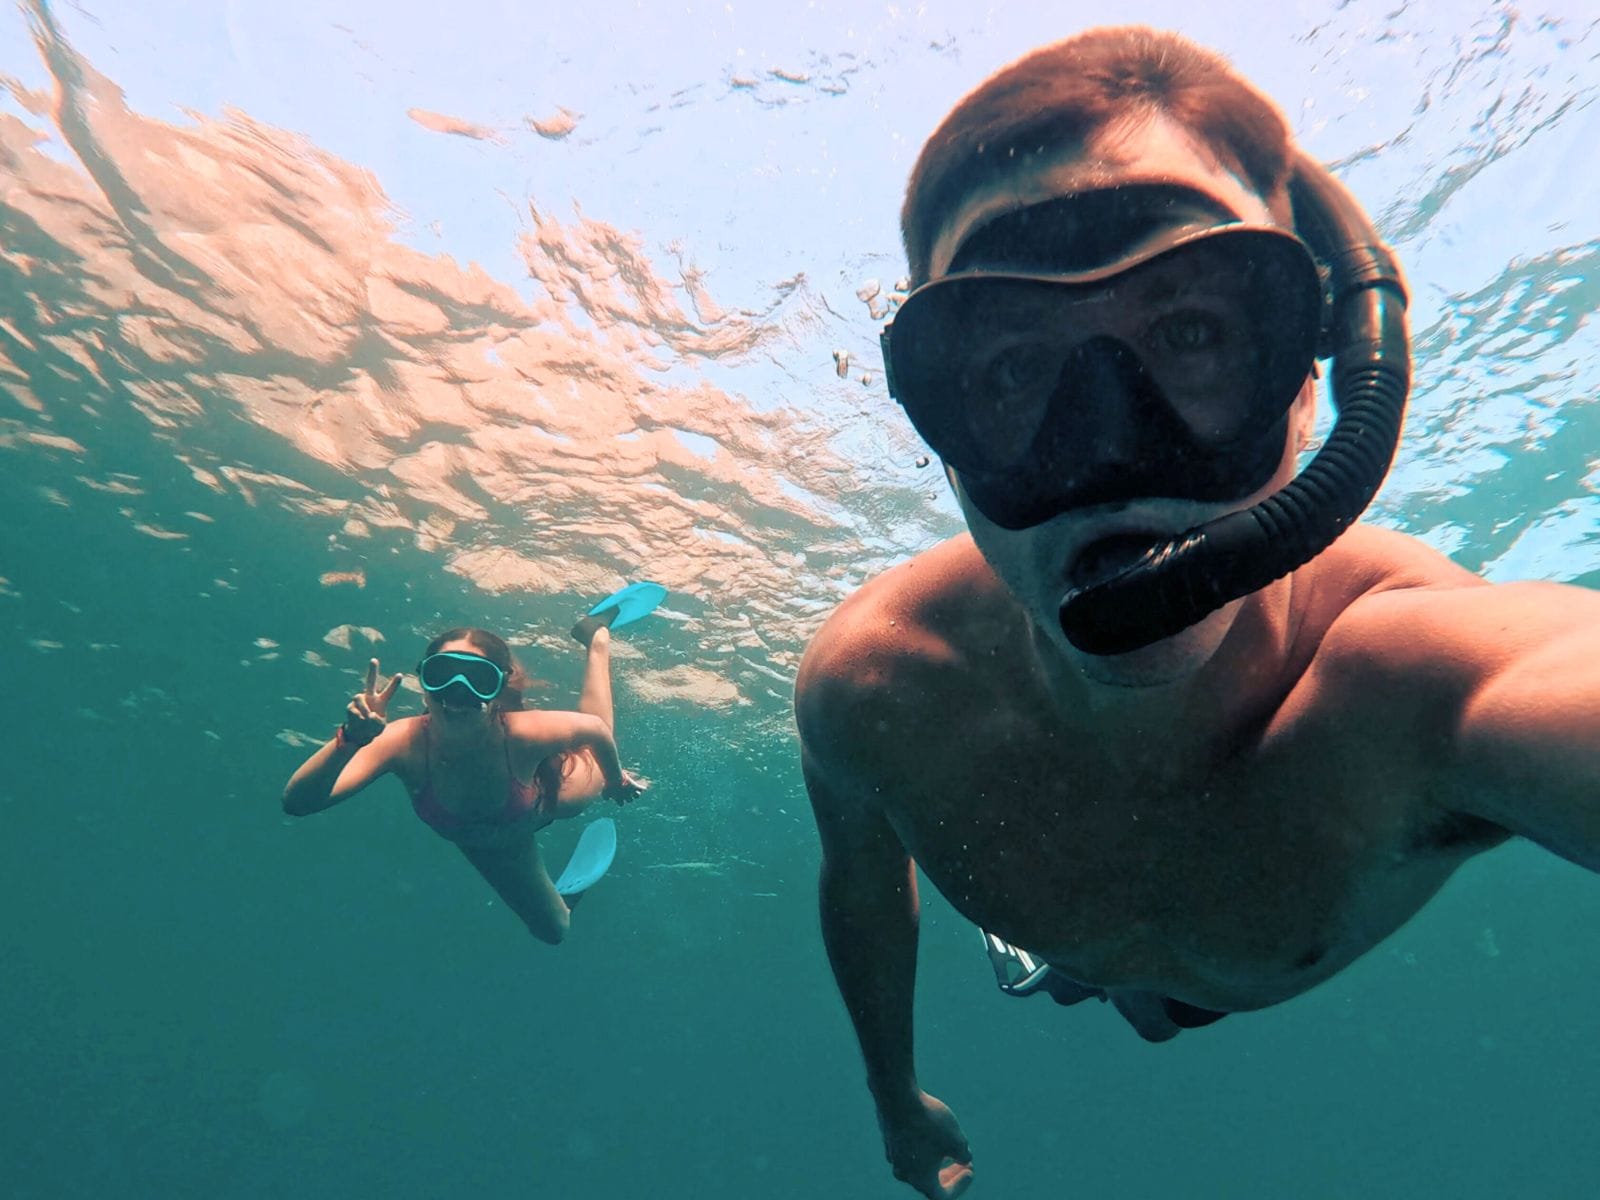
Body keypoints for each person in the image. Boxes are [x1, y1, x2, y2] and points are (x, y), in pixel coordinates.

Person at [794, 25, 1600, 1199]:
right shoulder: (875, 687)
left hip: (1196, 976)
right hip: (1158, 938)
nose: (1107, 453)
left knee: (1161, 1009)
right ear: (937, 419)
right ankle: (1053, 959)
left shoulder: (1419, 675)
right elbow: (862, 882)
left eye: (1191, 335)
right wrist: (891, 1098)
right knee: (1093, 975)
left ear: (1314, 371)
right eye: (1013, 370)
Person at [283, 612, 646, 943]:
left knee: (591, 763)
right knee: (554, 931)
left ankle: (596, 639)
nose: (458, 692)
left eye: (477, 679)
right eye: (443, 675)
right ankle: (562, 897)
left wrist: (614, 781)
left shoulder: (524, 734)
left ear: (499, 686)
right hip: (495, 845)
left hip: (550, 800)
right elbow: (298, 803)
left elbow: (594, 729)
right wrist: (349, 741)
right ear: (424, 681)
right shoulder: (400, 743)